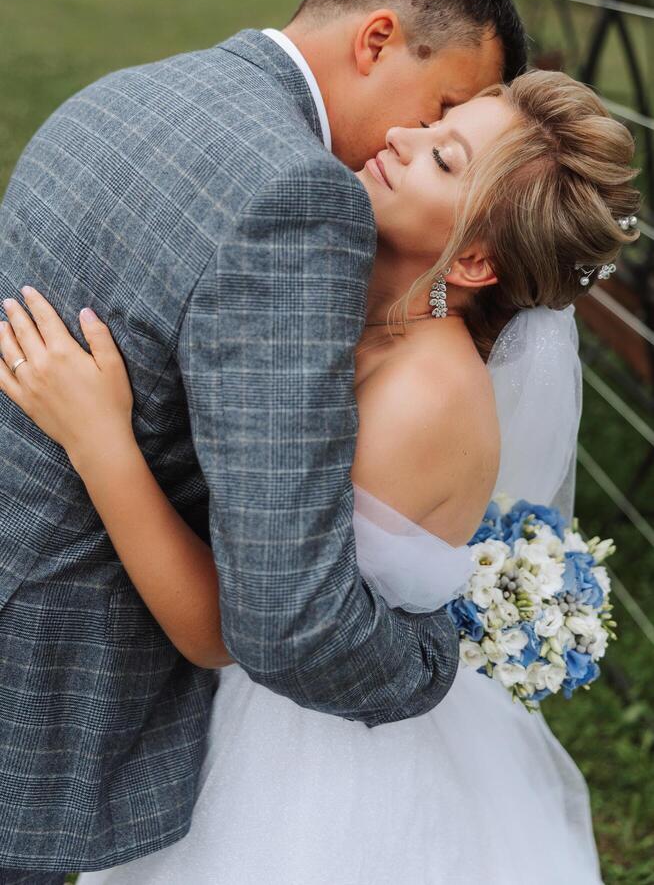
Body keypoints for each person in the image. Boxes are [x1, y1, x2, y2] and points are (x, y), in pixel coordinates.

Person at [0, 69, 639, 883]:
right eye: (436, 122)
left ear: (474, 260)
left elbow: (225, 632)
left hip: (301, 753)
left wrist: (99, 439)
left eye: (442, 160)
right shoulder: (356, 295)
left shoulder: (425, 398)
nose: (402, 139)